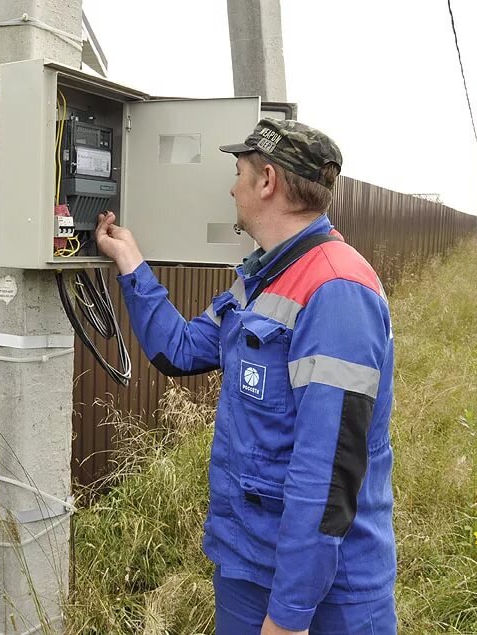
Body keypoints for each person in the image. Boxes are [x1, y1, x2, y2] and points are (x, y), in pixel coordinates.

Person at [94, 119, 397, 634]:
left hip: (325, 594)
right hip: (249, 564)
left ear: (267, 181)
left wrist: (290, 615)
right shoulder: (262, 279)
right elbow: (182, 350)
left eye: (238, 173)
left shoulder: (337, 291)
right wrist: (131, 263)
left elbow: (327, 472)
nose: (232, 187)